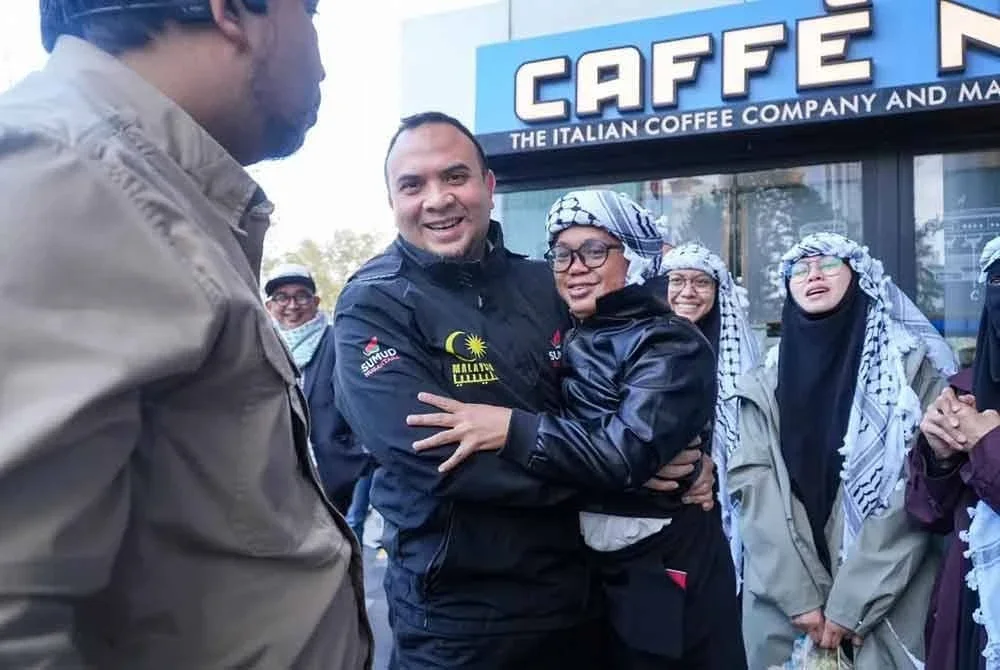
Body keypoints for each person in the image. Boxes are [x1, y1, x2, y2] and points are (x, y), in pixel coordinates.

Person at [0, 1, 371, 667]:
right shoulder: (63, 171)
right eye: (311, 11)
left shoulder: (150, 189)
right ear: (233, 12)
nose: (322, 60)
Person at [332, 111, 714, 670]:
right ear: (392, 200)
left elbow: (630, 396)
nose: (437, 199)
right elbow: (437, 457)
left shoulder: (549, 283)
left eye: (455, 176)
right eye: (413, 185)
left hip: (588, 599)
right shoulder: (374, 303)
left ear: (489, 187)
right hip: (460, 620)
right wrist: (618, 478)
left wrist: (682, 456)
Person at [412, 190, 744, 669]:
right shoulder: (573, 330)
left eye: (594, 250)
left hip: (660, 566)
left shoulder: (668, 342)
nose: (574, 266)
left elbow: (623, 454)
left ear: (635, 257)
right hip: (588, 571)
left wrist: (510, 429)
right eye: (562, 253)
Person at [730, 233, 956, 669]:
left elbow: (919, 486)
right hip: (786, 608)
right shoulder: (762, 381)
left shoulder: (908, 370)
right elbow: (753, 487)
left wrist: (853, 602)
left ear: (858, 276)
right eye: (799, 268)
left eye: (828, 264)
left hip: (889, 601)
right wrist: (799, 599)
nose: (813, 275)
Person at [906, 236, 1000, 670]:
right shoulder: (968, 391)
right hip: (970, 608)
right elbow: (928, 515)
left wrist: (986, 443)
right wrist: (939, 456)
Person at [661, 242, 762, 592]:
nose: (687, 292)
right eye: (676, 280)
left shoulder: (738, 351)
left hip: (721, 502)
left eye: (701, 283)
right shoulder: (646, 342)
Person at [265, 263, 375, 515]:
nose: (292, 306)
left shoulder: (340, 340)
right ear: (269, 306)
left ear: (315, 301)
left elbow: (368, 394)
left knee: (347, 535)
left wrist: (359, 451)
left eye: (301, 296)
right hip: (285, 468)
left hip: (344, 467)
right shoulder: (264, 347)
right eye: (282, 297)